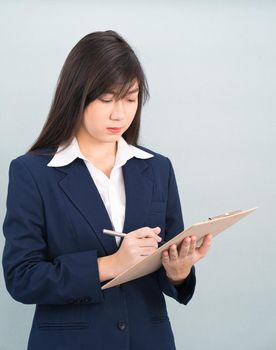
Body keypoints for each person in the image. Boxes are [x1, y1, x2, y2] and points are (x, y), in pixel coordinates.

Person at [2, 30, 212, 350]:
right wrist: (110, 265)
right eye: (107, 99)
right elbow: (22, 278)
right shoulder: (32, 173)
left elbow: (166, 265)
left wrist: (179, 272)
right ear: (77, 95)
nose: (120, 114)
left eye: (130, 99)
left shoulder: (157, 168)